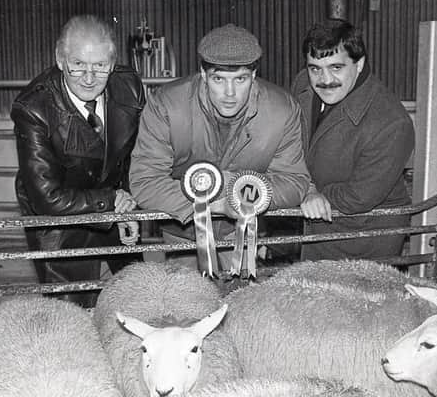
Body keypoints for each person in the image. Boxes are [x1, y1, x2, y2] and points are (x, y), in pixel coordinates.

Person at [129, 23, 310, 272]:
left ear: (254, 74)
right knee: (188, 306)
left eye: (240, 79)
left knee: (242, 303)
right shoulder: (166, 106)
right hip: (182, 231)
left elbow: (295, 181)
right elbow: (144, 180)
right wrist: (216, 204)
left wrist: (238, 194)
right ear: (203, 74)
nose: (230, 93)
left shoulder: (282, 110)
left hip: (246, 233)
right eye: (218, 79)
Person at [11, 14, 145, 307]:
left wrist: (128, 209)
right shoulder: (33, 108)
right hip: (60, 219)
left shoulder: (130, 88)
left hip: (114, 204)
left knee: (137, 300)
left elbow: (132, 159)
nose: (88, 77)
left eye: (99, 66)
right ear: (60, 59)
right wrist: (111, 203)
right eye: (78, 65)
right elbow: (47, 197)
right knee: (73, 312)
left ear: (112, 64)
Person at [292, 19, 415, 261]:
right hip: (313, 226)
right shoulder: (303, 86)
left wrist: (313, 193)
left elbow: (358, 196)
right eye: (315, 68)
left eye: (336, 67)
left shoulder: (391, 122)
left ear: (359, 64)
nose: (325, 79)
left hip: (360, 240)